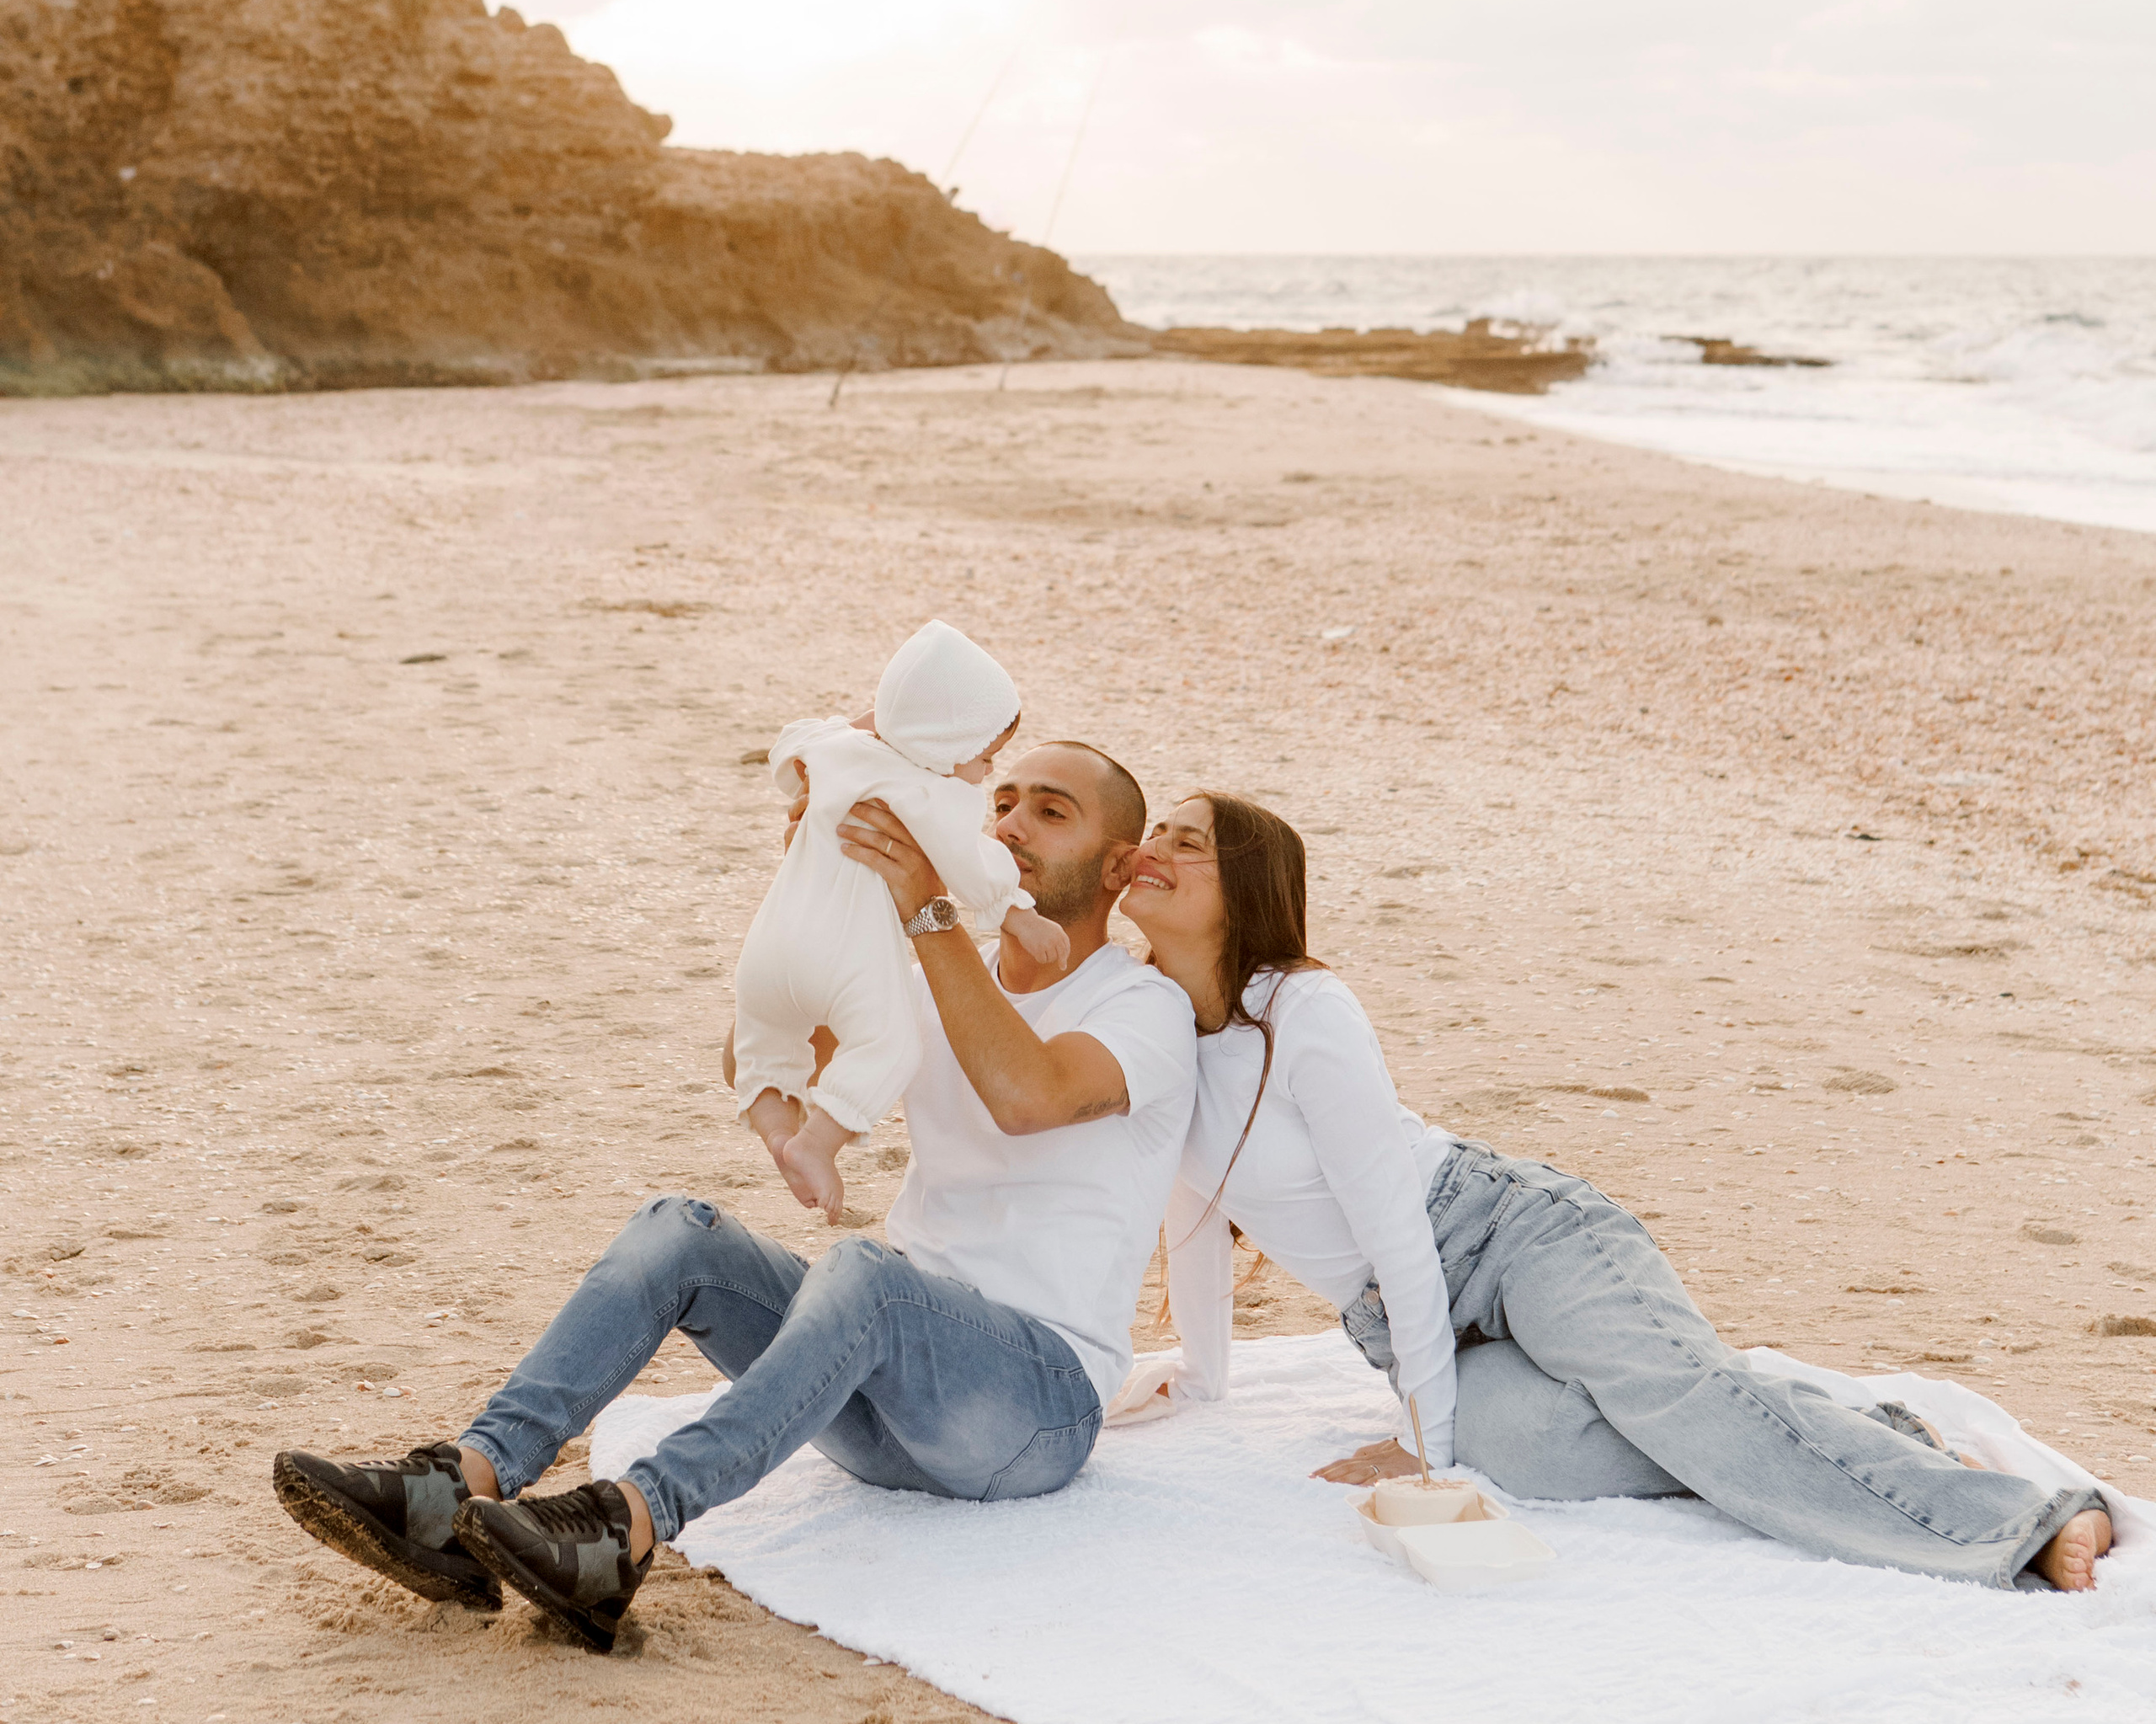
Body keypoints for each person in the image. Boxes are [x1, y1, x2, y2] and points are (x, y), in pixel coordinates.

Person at [273, 741, 1193, 1653]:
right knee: (681, 1229)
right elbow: (757, 1059)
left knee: (867, 1271)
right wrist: (816, 890)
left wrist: (926, 906)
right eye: (1002, 803)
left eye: (1050, 811)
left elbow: (1025, 1093)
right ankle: (457, 1486)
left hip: (1032, 1412)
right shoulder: (929, 975)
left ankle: (625, 1527)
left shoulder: (1142, 1008)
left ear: (1118, 866)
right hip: (877, 1400)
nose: (1009, 826)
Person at [1115, 790, 2116, 1595]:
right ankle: (1856, 1428)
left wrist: (1419, 1442)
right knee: (1532, 1451)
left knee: (1666, 1398)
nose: (1156, 843)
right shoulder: (1157, 1028)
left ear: (1243, 889)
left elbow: (1392, 1226)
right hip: (1411, 1315)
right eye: (1156, 830)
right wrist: (1202, 1378)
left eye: (1188, 840)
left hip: (1507, 1234)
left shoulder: (1303, 1009)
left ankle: (2019, 1518)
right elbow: (1193, 1207)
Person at [739, 617, 1071, 1218]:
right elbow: (973, 862)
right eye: (985, 756)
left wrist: (878, 722)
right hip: (841, 956)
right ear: (943, 743)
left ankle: (775, 1129)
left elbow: (788, 745)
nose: (987, 772)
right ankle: (814, 1141)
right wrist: (1016, 915)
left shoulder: (831, 751)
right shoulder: (928, 791)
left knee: (762, 1041)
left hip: (766, 948)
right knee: (890, 1046)